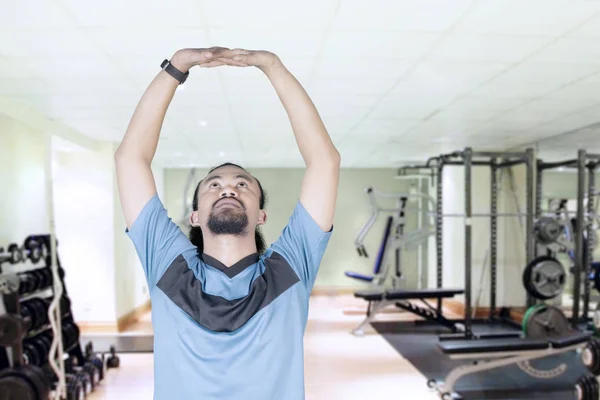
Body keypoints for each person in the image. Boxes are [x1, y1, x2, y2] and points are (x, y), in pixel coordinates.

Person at [114, 47, 341, 399]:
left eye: (242, 184)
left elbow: (324, 162)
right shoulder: (168, 263)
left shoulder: (290, 266)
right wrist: (175, 68)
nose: (228, 189)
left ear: (261, 215)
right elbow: (130, 159)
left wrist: (273, 67)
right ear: (195, 215)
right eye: (214, 185)